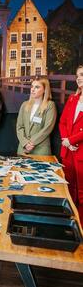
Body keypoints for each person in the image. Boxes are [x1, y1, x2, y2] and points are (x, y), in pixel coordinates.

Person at [59, 65, 83, 220]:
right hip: (68, 152)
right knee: (68, 189)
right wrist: (66, 141)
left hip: (81, 152)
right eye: (77, 75)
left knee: (82, 193)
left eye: (82, 74)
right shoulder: (72, 98)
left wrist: (71, 140)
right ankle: (70, 224)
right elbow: (62, 123)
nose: (79, 78)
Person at [16, 78, 57, 155]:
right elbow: (19, 127)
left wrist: (31, 143)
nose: (33, 89)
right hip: (23, 148)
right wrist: (25, 143)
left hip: (40, 149)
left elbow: (48, 128)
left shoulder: (50, 105)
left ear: (45, 90)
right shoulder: (24, 105)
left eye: (37, 87)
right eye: (32, 86)